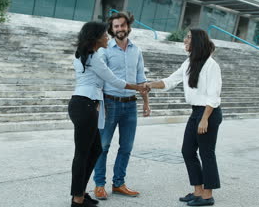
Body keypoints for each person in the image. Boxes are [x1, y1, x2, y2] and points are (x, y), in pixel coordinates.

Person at [68, 21, 147, 207]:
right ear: (95, 37)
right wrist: (138, 87)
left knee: (94, 150)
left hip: (84, 104)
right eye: (104, 34)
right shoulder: (93, 58)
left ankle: (80, 193)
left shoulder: (84, 55)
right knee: (82, 154)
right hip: (84, 106)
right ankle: (77, 199)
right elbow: (113, 80)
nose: (107, 36)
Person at [146, 28, 223, 206]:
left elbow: (214, 96)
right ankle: (197, 191)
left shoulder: (211, 65)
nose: (185, 40)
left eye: (188, 37)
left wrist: (205, 119)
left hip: (208, 113)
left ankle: (207, 196)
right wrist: (150, 84)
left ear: (197, 41)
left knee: (206, 153)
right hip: (196, 112)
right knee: (187, 151)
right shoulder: (189, 62)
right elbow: (170, 81)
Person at [93, 11, 150, 200]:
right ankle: (99, 185)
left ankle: (119, 184)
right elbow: (99, 78)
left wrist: (146, 104)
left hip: (130, 105)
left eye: (122, 25)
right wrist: (98, 104)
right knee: (103, 146)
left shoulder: (136, 50)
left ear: (128, 27)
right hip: (110, 103)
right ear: (112, 29)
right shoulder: (105, 49)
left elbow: (141, 80)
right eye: (116, 26)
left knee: (126, 147)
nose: (119, 29)